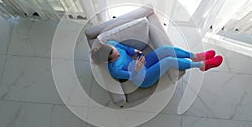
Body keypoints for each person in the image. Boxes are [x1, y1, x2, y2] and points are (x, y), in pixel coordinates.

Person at [91, 40, 223, 88]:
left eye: (116, 52)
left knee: (165, 49)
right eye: (115, 57)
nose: (118, 54)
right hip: (142, 78)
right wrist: (137, 69)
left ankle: (194, 56)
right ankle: (201, 65)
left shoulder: (112, 44)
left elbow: (123, 48)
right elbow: (133, 76)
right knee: (168, 61)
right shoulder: (114, 69)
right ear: (108, 61)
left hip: (140, 63)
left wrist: (133, 51)